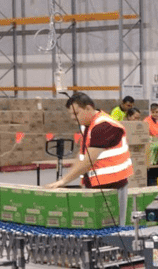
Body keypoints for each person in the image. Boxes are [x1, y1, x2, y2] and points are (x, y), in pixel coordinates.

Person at [46, 92, 133, 226]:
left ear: (88, 108)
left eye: (76, 113)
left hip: (112, 188)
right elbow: (82, 156)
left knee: (114, 231)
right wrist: (79, 179)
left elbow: (88, 161)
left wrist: (63, 181)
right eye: (71, 115)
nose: (73, 118)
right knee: (95, 229)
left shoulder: (103, 126)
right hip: (96, 187)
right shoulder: (89, 126)